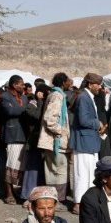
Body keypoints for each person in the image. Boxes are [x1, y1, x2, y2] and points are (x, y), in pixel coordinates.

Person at [70, 73, 105, 215]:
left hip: (89, 141)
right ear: (90, 84)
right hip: (84, 141)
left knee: (89, 174)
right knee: (82, 174)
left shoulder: (87, 97)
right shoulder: (84, 98)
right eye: (97, 84)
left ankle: (87, 202)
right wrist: (98, 123)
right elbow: (83, 120)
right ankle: (78, 203)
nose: (100, 87)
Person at [39, 72, 73, 206]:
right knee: (58, 171)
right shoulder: (57, 96)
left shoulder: (55, 95)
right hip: (55, 141)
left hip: (56, 142)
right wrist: (61, 131)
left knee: (55, 170)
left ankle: (54, 199)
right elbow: (50, 119)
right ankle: (57, 200)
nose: (71, 82)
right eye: (68, 80)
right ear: (63, 82)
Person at [0, 74, 29, 205]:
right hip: (12, 134)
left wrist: (20, 108)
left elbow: (18, 110)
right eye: (21, 84)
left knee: (21, 166)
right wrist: (25, 109)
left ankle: (19, 191)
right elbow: (10, 112)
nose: (23, 86)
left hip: (23, 134)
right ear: (14, 85)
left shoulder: (23, 97)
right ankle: (8, 194)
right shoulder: (5, 97)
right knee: (10, 165)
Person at [21, 83, 52, 201]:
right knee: (32, 170)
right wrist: (39, 101)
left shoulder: (46, 104)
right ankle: (28, 195)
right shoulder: (32, 104)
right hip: (34, 142)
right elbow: (38, 116)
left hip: (43, 143)